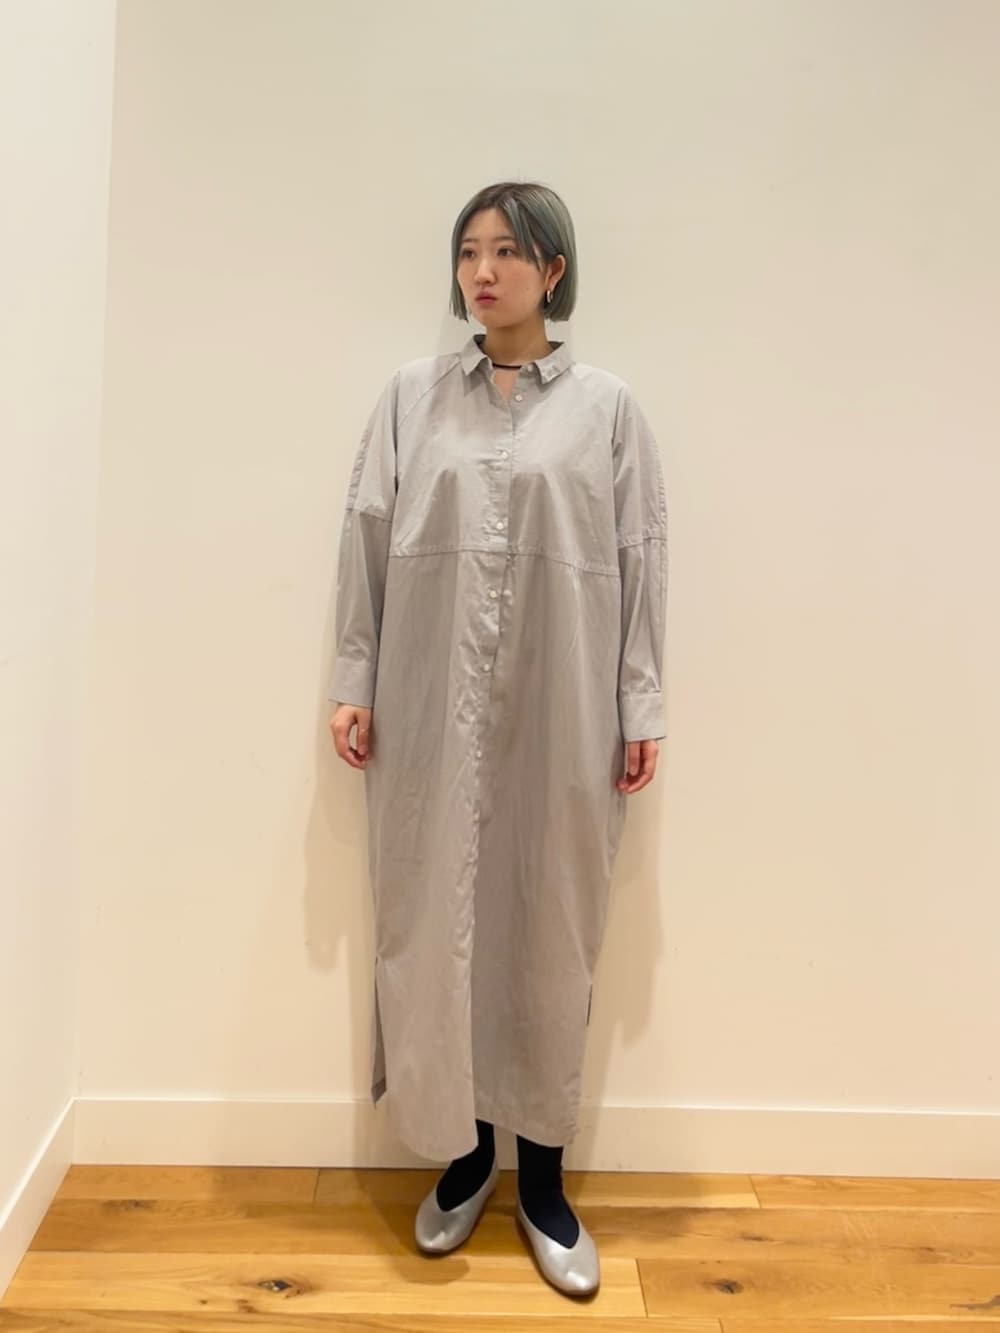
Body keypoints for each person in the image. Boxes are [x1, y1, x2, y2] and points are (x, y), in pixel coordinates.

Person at [328, 181, 667, 1297]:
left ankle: (545, 1181)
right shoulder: (410, 398)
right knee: (437, 919)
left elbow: (642, 554)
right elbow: (365, 534)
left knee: (549, 921)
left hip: (565, 701)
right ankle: (467, 1156)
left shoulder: (608, 408)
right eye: (469, 251)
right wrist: (355, 677)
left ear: (552, 270)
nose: (483, 270)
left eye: (508, 251)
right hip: (428, 699)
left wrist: (640, 702)